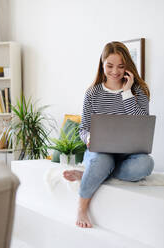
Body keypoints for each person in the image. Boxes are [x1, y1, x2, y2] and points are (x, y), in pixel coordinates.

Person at [63, 41, 154, 228]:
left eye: (121, 66)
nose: (115, 71)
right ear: (102, 64)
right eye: (110, 66)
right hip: (100, 153)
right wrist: (88, 138)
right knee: (102, 161)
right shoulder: (92, 93)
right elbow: (84, 128)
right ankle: (81, 207)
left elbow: (141, 122)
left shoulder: (138, 91)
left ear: (127, 67)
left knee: (146, 164)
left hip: (128, 154)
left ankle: (94, 174)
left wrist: (127, 93)